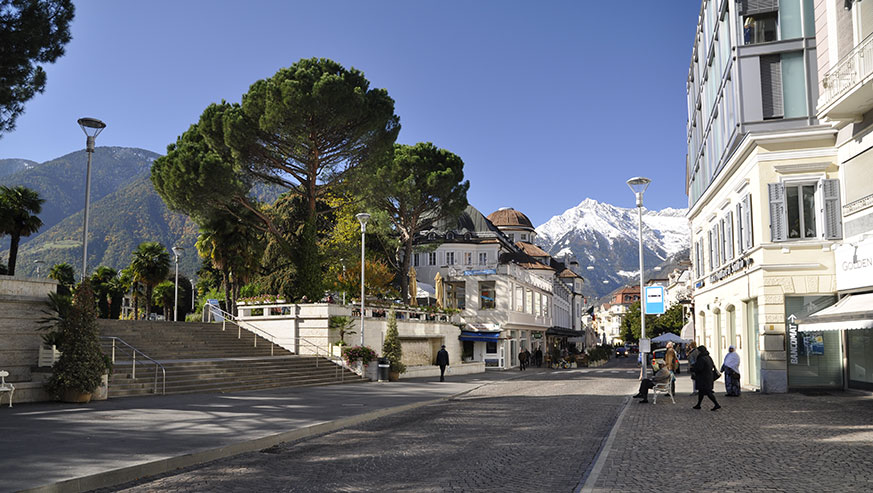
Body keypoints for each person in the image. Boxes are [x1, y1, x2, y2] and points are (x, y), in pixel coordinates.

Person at [690, 345, 720, 411]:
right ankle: (698, 404)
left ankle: (716, 404)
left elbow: (699, 368)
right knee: (701, 391)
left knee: (708, 392)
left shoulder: (701, 358)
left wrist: (693, 369)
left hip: (704, 378)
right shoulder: (708, 357)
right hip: (708, 377)